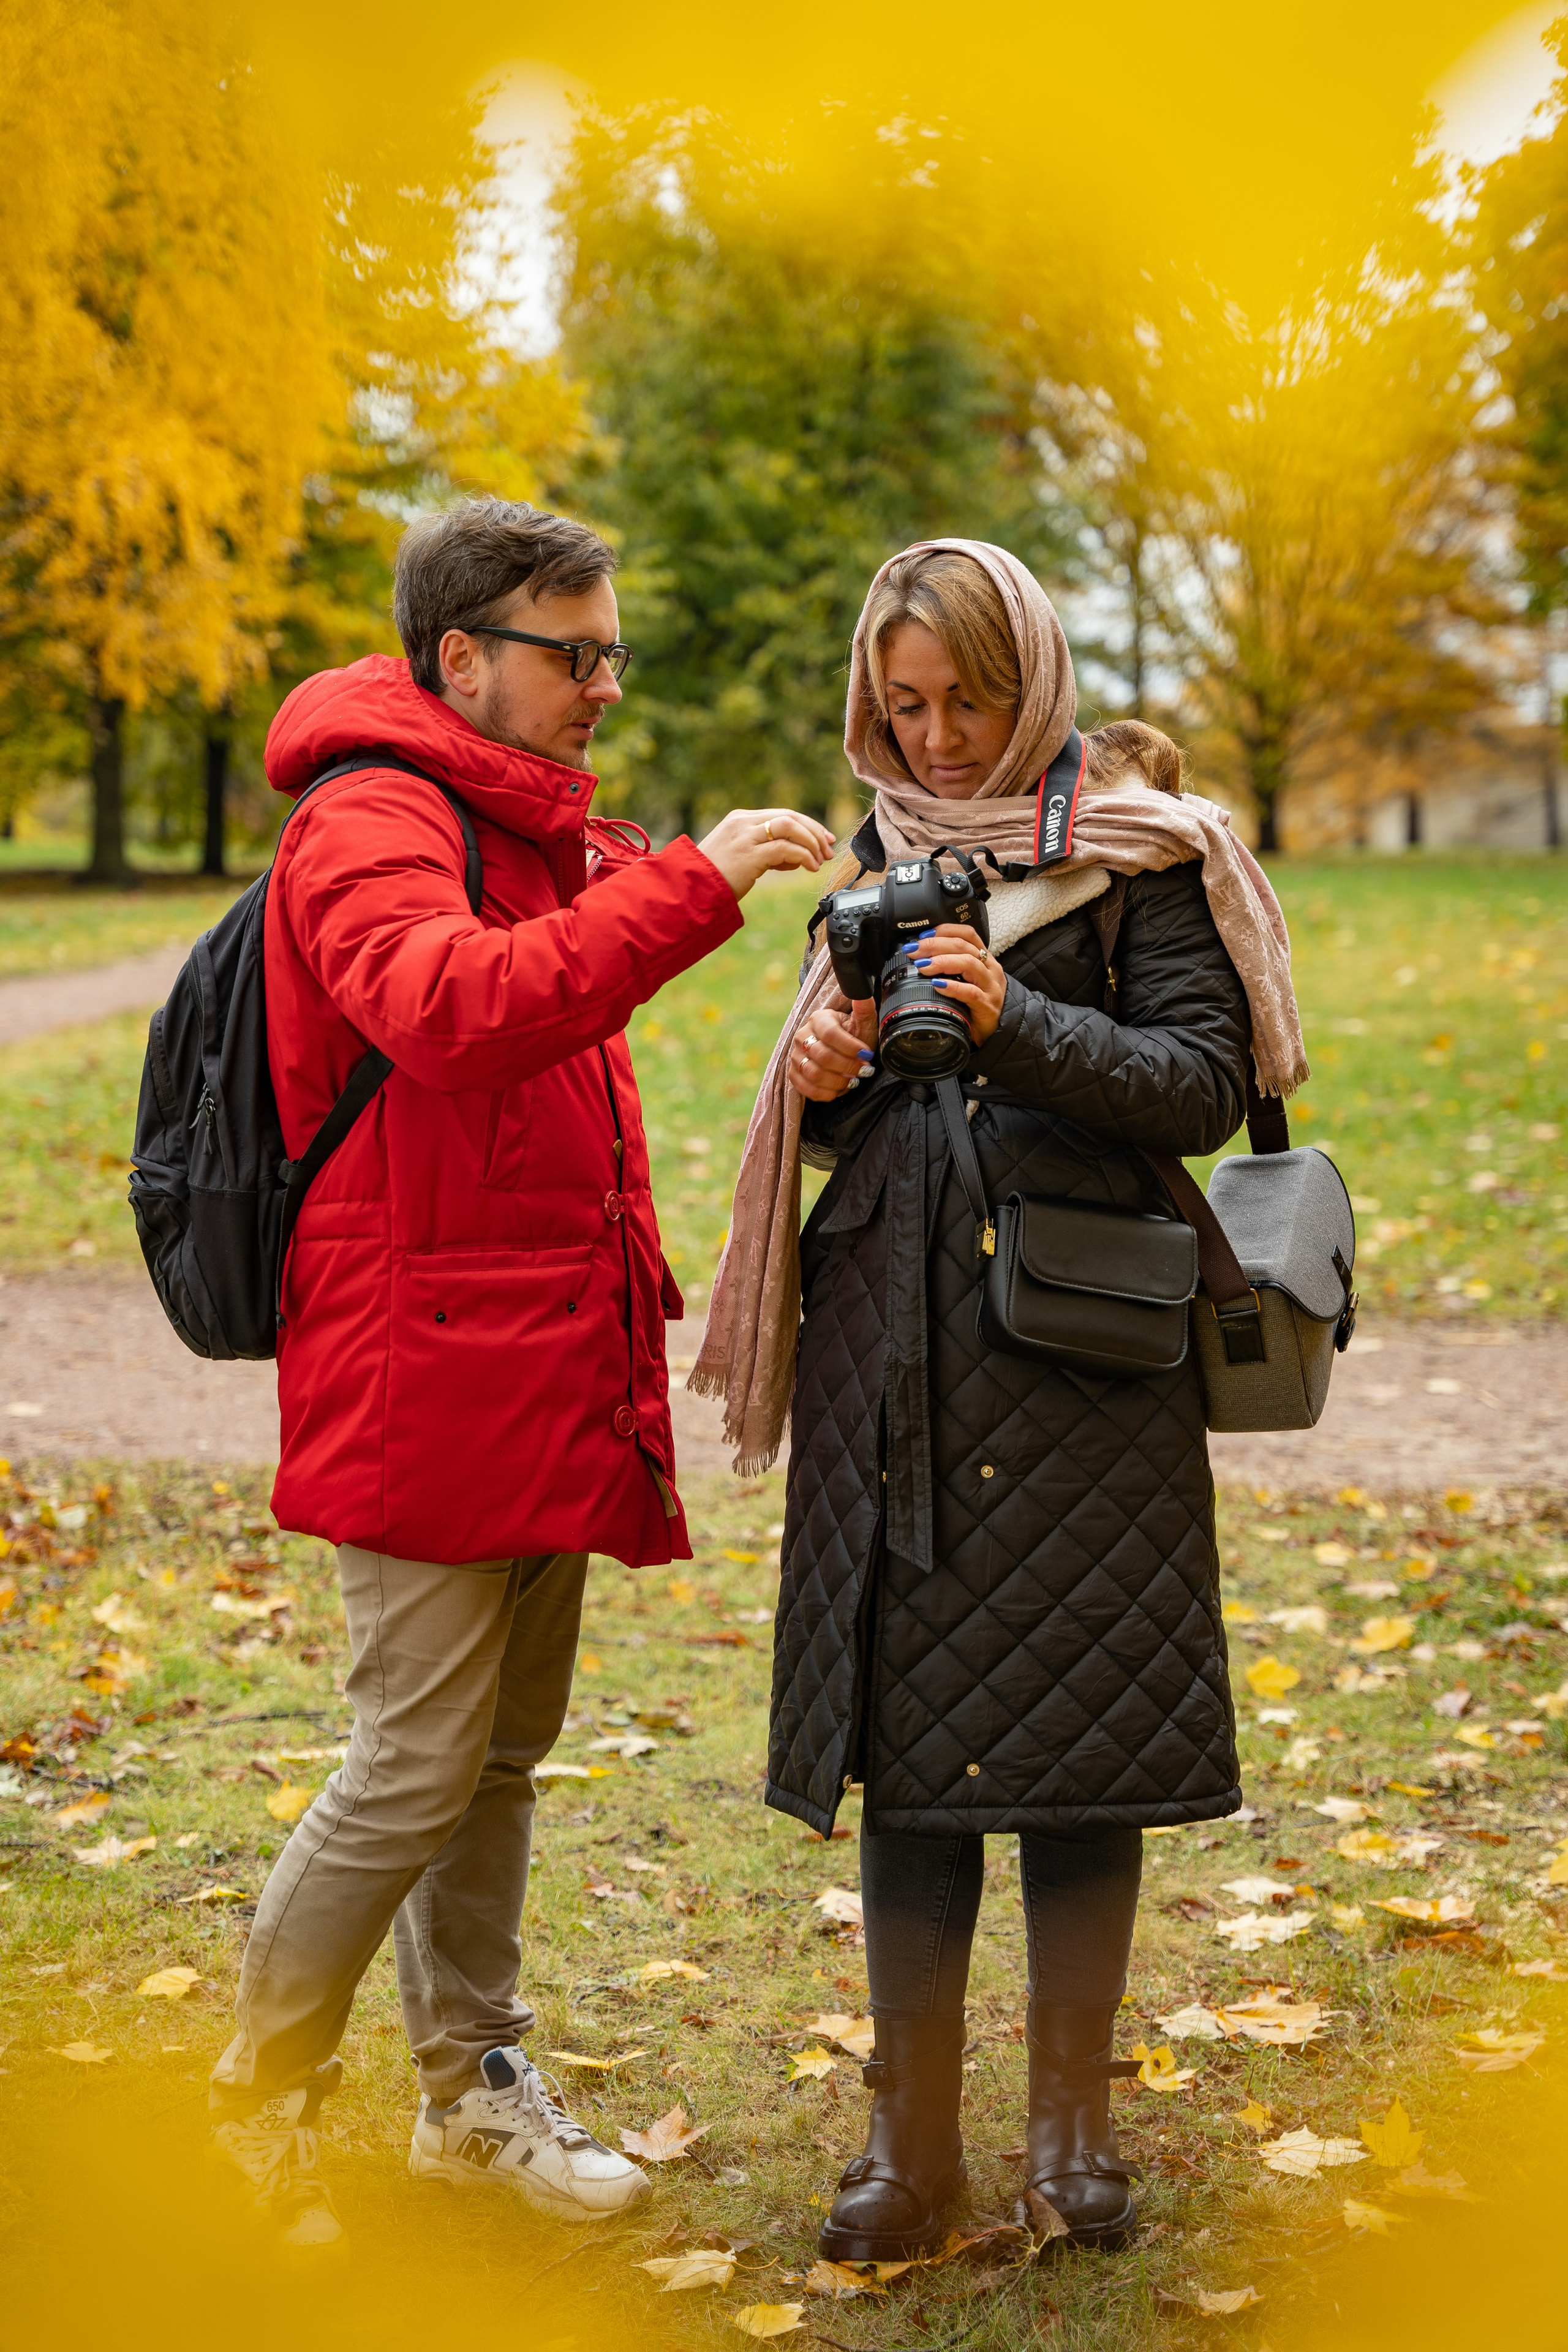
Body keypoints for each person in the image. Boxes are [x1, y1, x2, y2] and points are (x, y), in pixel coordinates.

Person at [206, 497, 833, 2251]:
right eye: (579, 654)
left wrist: (678, 880)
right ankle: (251, 2109)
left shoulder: (503, 819)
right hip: (418, 1358)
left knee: (496, 1760)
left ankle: (470, 2094)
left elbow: (547, 993)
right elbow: (460, 1010)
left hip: (527, 1345)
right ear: (461, 655)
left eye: (614, 649)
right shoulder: (370, 821)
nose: (607, 686)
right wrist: (694, 885)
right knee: (413, 1761)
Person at [693, 540, 1306, 2261]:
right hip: (891, 1340)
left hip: (1078, 1352)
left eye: (968, 699)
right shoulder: (881, 857)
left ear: (1031, 677)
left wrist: (1017, 1019)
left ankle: (1071, 2138)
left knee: (1078, 1750)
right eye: (904, 705)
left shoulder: (1141, 850)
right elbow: (850, 1123)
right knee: (913, 1752)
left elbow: (1199, 1082)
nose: (941, 738)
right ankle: (910, 2148)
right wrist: (817, 1082)